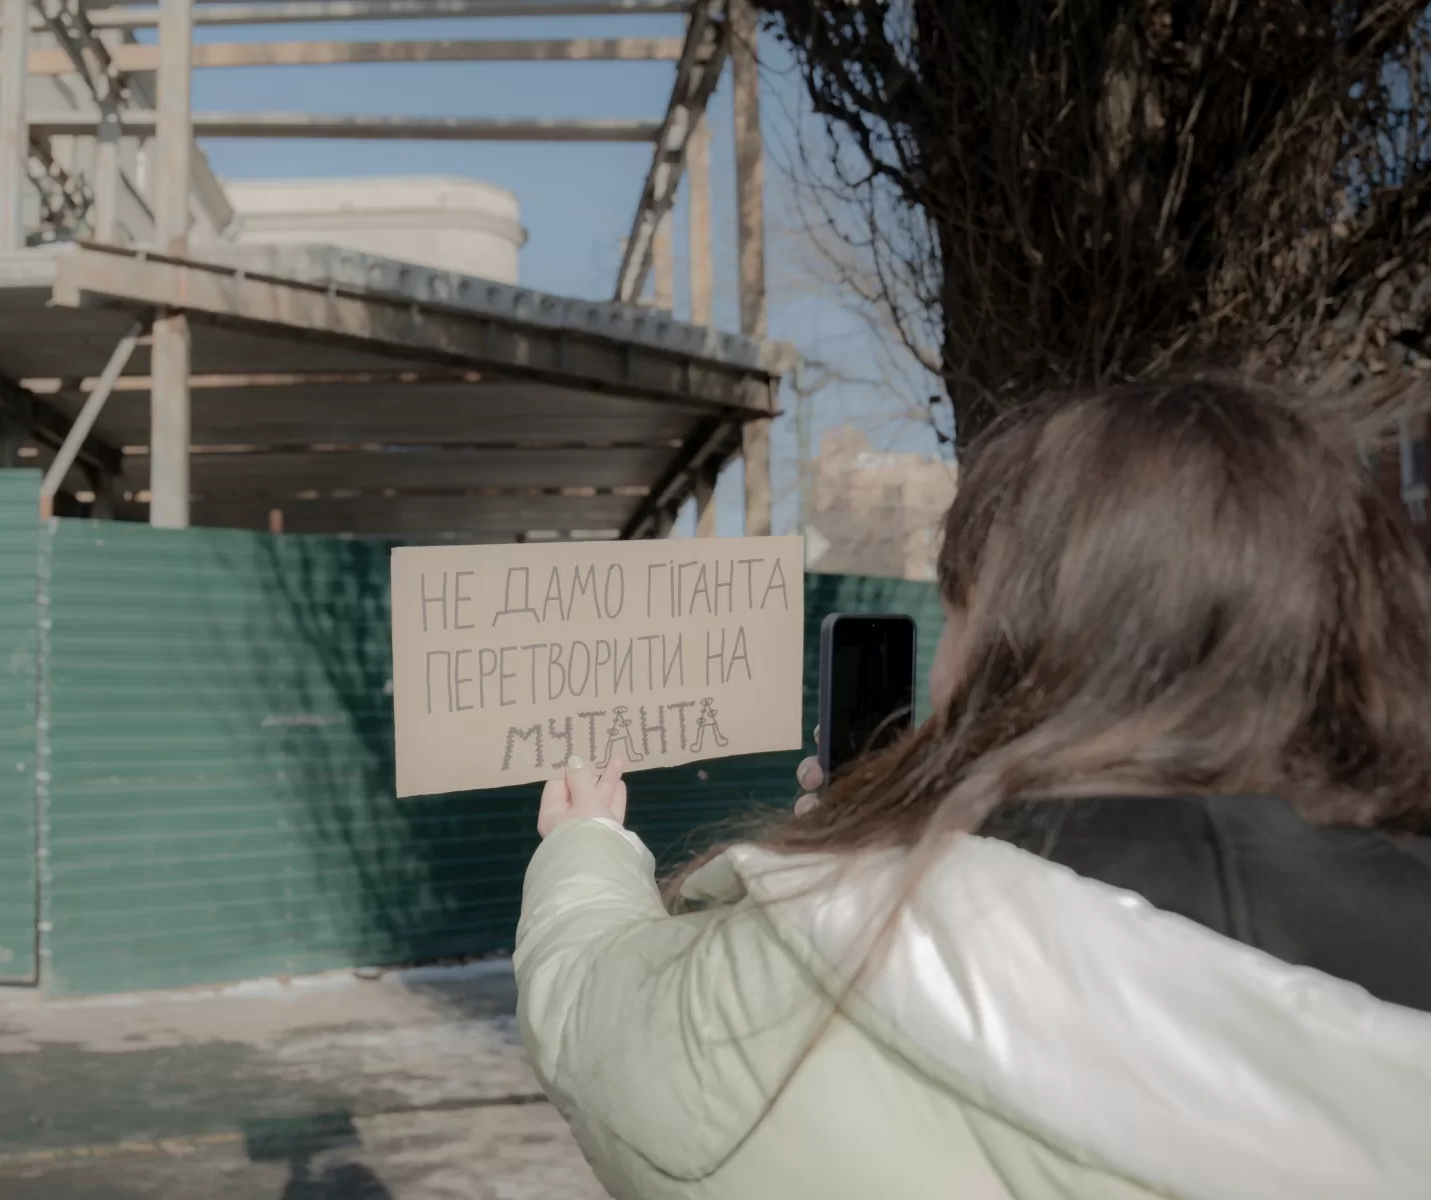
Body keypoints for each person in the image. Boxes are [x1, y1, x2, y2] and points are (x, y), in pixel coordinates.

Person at [515, 377, 1431, 1200]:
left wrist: (586, 842)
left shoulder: (854, 952)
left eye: (956, 605)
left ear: (1013, 643)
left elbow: (599, 1021)